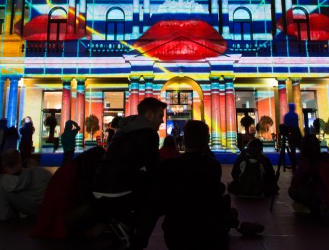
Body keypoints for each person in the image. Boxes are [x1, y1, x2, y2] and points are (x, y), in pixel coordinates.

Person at [155, 119, 263, 249]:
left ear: (184, 140)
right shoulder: (212, 165)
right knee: (225, 202)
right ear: (206, 141)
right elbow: (214, 202)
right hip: (207, 233)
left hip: (175, 235)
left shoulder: (169, 166)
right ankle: (238, 225)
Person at [92, 96, 167, 250]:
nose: (162, 121)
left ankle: (125, 223)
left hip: (101, 185)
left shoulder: (126, 128)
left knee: (147, 183)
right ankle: (136, 241)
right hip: (117, 190)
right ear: (150, 114)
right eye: (160, 115)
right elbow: (154, 169)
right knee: (160, 196)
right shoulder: (148, 133)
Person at [32, 146, 106, 239]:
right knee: (97, 204)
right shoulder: (73, 171)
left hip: (55, 217)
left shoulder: (74, 168)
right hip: (57, 220)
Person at [288, 133, 329, 217]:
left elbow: (294, 182)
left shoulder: (306, 162)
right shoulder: (325, 157)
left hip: (318, 196)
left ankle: (314, 206)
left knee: (292, 190)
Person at [0, 149, 52, 222]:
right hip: (51, 214)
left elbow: (4, 216)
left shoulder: (1, 187)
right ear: (20, 160)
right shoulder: (42, 173)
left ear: (3, 164)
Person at [282, 103, 302, 168]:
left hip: (290, 135)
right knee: (300, 148)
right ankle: (299, 162)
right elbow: (296, 125)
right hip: (296, 134)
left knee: (292, 150)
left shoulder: (286, 116)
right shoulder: (295, 115)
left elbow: (285, 125)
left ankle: (293, 164)